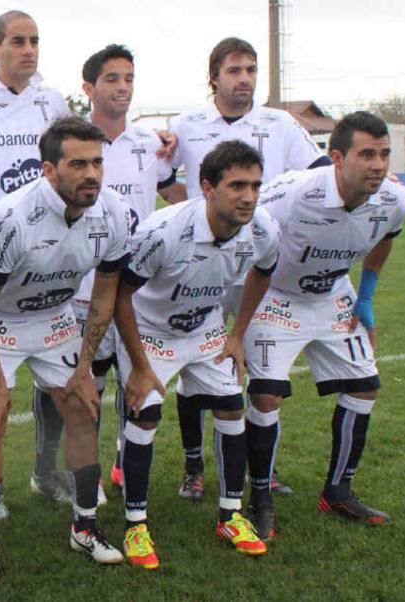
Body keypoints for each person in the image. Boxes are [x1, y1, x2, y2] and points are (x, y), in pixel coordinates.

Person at [0, 116, 131, 582]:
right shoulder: (13, 219)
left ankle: (85, 527)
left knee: (82, 407)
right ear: (49, 171)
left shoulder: (113, 213)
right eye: (78, 164)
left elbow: (103, 294)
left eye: (97, 162)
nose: (91, 174)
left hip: (55, 317)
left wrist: (84, 367)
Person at [168, 37, 328, 502]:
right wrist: (194, 215)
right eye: (235, 70)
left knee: (258, 368)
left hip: (262, 267)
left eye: (251, 70)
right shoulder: (187, 124)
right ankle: (193, 465)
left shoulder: (279, 123)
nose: (244, 79)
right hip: (203, 265)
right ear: (213, 76)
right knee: (194, 365)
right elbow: (161, 174)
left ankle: (263, 468)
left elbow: (320, 170)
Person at [237, 111, 405, 536]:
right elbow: (243, 224)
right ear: (337, 157)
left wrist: (366, 295)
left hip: (333, 295)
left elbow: (386, 238)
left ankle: (338, 490)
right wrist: (237, 322)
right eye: (367, 154)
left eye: (384, 154)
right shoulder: (294, 193)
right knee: (265, 398)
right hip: (276, 296)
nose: (378, 165)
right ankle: (259, 496)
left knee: (364, 384)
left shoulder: (395, 199)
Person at [30, 44, 184, 504]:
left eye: (129, 78)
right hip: (77, 287)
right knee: (80, 382)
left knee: (128, 374)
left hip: (131, 286)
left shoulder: (148, 145)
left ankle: (116, 460)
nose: (122, 87)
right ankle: (55, 467)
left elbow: (174, 194)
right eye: (112, 78)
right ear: (88, 87)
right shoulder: (71, 144)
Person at [114, 141, 280, 567]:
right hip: (149, 329)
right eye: (237, 185)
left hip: (205, 328)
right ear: (206, 187)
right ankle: (136, 524)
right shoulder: (163, 231)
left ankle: (230, 515)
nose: (248, 196)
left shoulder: (262, 229)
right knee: (145, 411)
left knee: (230, 406)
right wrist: (139, 366)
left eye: (255, 186)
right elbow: (121, 295)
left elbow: (264, 272)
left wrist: (237, 335)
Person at [0, 10, 71, 202]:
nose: (29, 50)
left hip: (46, 222)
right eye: (18, 42)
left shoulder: (53, 100)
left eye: (34, 42)